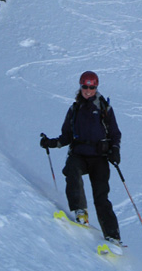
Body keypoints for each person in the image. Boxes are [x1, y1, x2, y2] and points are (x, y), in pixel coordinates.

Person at [40, 71, 122, 244]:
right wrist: (52, 143)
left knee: (101, 196)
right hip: (79, 153)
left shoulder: (104, 108)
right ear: (80, 86)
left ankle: (113, 235)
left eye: (92, 87)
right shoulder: (74, 109)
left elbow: (115, 133)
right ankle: (80, 211)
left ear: (96, 87)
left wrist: (115, 150)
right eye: (85, 86)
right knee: (72, 170)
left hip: (99, 156)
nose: (88, 90)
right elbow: (66, 136)